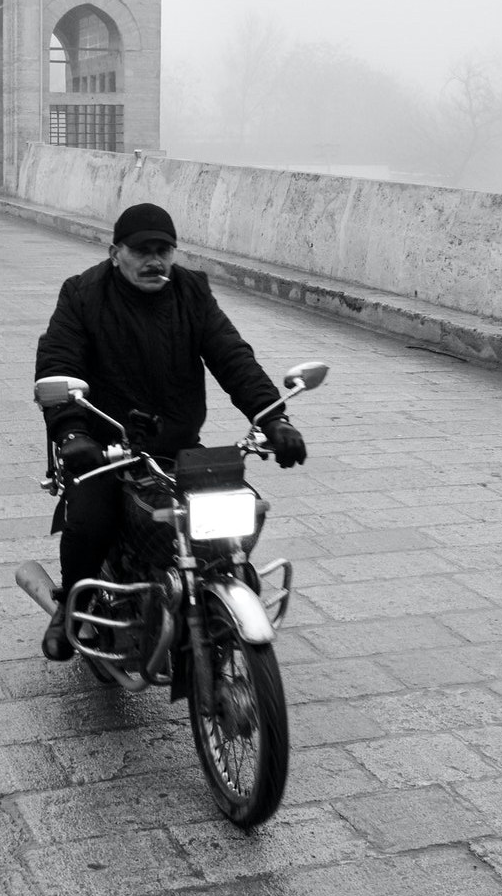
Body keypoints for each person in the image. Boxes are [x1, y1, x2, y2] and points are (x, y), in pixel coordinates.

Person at [34, 202, 307, 661]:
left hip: (176, 445)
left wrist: (273, 419)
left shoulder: (191, 292)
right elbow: (59, 362)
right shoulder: (83, 293)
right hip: (104, 445)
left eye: (163, 251)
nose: (154, 261)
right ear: (115, 252)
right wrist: (72, 434)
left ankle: (214, 592)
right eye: (141, 251)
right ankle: (70, 609)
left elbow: (232, 357)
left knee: (229, 518)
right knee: (91, 518)